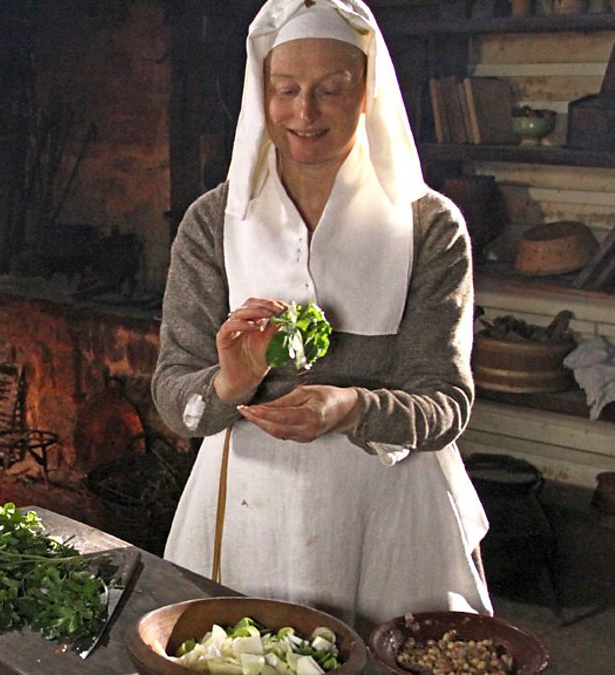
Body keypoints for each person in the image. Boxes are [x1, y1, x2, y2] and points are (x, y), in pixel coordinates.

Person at [152, 0, 492, 635]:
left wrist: (351, 408)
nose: (304, 113)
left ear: (367, 93)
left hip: (392, 511)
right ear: (263, 97)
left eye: (331, 90)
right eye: (286, 90)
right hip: (246, 511)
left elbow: (446, 404)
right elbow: (176, 402)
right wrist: (230, 383)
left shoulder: (428, 225)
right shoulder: (213, 223)